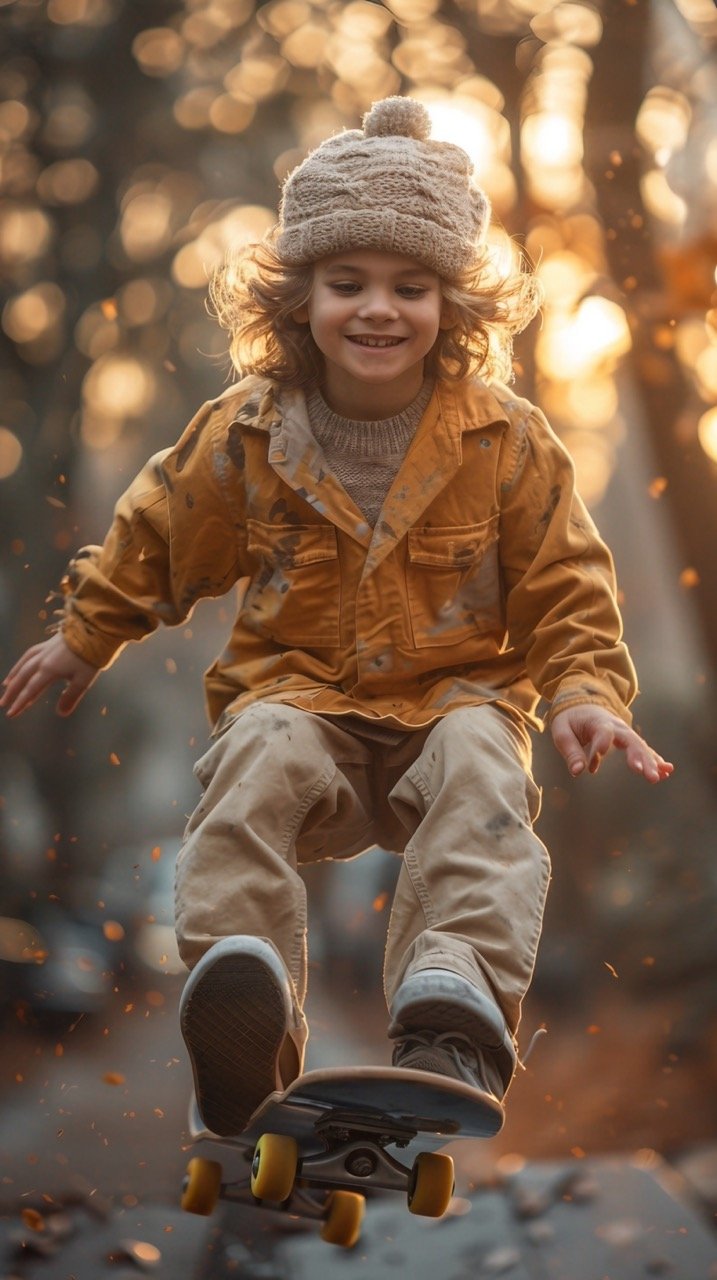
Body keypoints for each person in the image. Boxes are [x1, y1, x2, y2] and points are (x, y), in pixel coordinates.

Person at [1, 97, 673, 1139]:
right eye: (347, 282)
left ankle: (453, 1002)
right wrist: (87, 630)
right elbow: (161, 532)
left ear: (454, 305)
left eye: (411, 287)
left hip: (453, 704)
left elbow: (566, 581)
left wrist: (585, 691)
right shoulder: (246, 433)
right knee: (254, 752)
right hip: (302, 704)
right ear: (296, 295)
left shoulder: (509, 440)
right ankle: (245, 1006)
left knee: (488, 764)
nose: (379, 310)